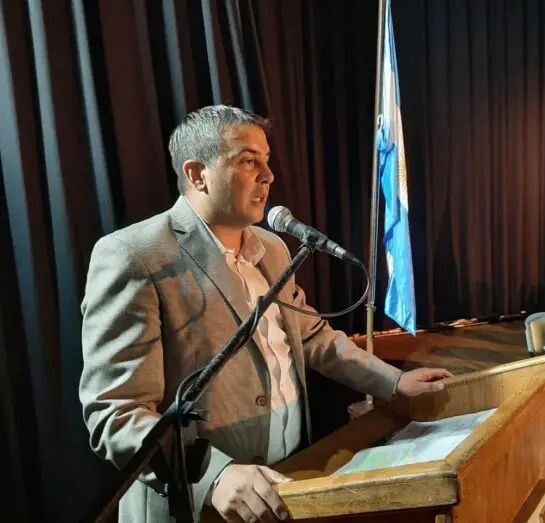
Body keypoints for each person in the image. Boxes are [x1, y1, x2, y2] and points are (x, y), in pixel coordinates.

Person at [79, 105, 453, 523]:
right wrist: (214, 476)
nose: (269, 176)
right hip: (198, 507)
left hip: (288, 482)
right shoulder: (135, 255)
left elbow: (313, 337)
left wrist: (393, 381)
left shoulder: (272, 248)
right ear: (197, 174)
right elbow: (116, 414)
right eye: (248, 161)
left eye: (267, 160)